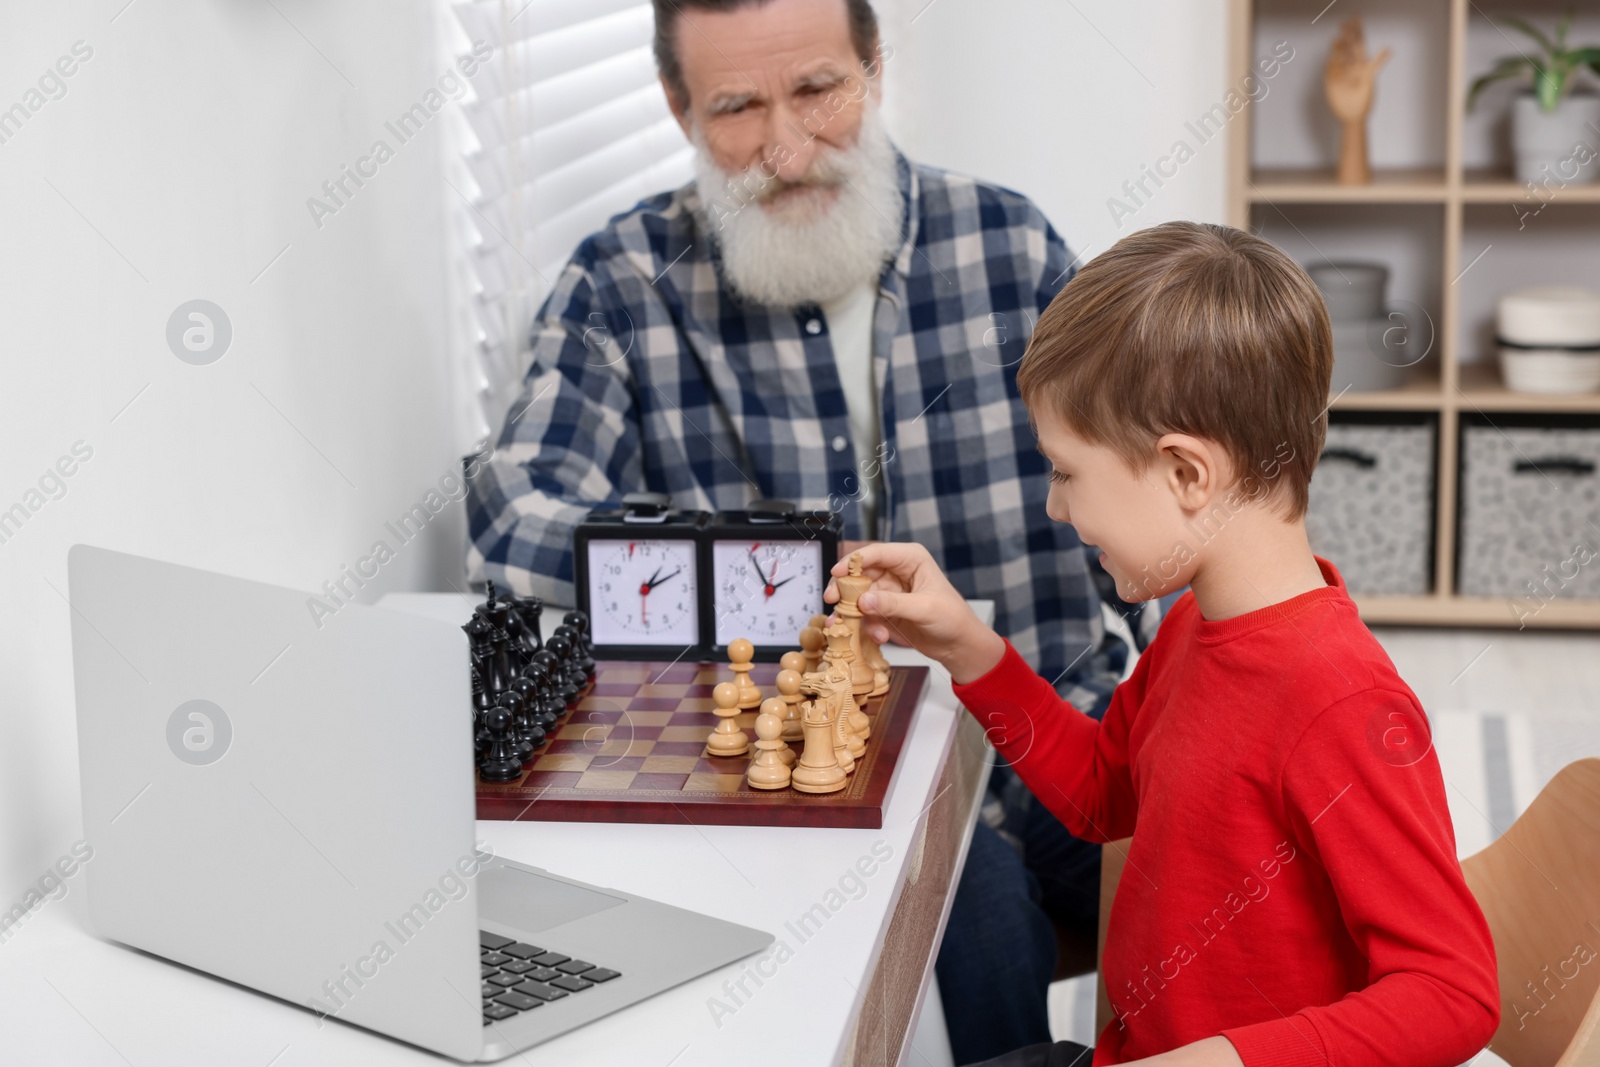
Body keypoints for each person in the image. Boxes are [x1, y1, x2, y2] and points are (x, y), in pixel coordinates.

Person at [463, 0, 1153, 1059]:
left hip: (1052, 716)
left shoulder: (1009, 246)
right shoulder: (620, 281)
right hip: (826, 778)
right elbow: (513, 518)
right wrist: (754, 571)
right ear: (677, 105)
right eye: (736, 107)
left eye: (818, 90)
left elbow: (1147, 486)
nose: (784, 149)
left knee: (1232, 901)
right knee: (982, 943)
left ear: (874, 67)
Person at [825, 221, 1500, 1066]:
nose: (1056, 507)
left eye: (1067, 472)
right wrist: (967, 646)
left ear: (1188, 475)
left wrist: (1228, 1058)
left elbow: (1456, 992)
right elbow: (1104, 798)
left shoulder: (1341, 700)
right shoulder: (1196, 623)